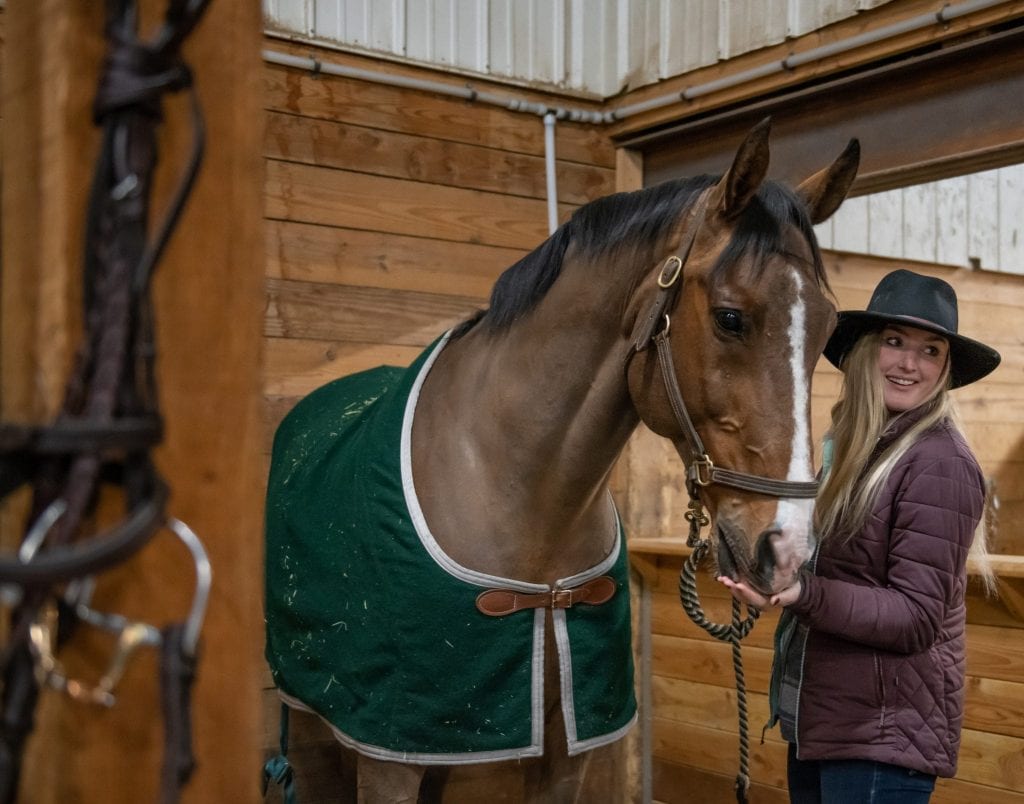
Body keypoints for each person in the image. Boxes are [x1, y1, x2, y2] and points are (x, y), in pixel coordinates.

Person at [719, 268, 1001, 803]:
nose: (908, 363)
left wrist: (804, 594)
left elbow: (915, 618)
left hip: (881, 737)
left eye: (930, 351)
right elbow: (840, 571)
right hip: (828, 724)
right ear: (867, 351)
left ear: (944, 369)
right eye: (894, 342)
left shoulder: (938, 461)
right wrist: (775, 573)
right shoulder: (851, 451)